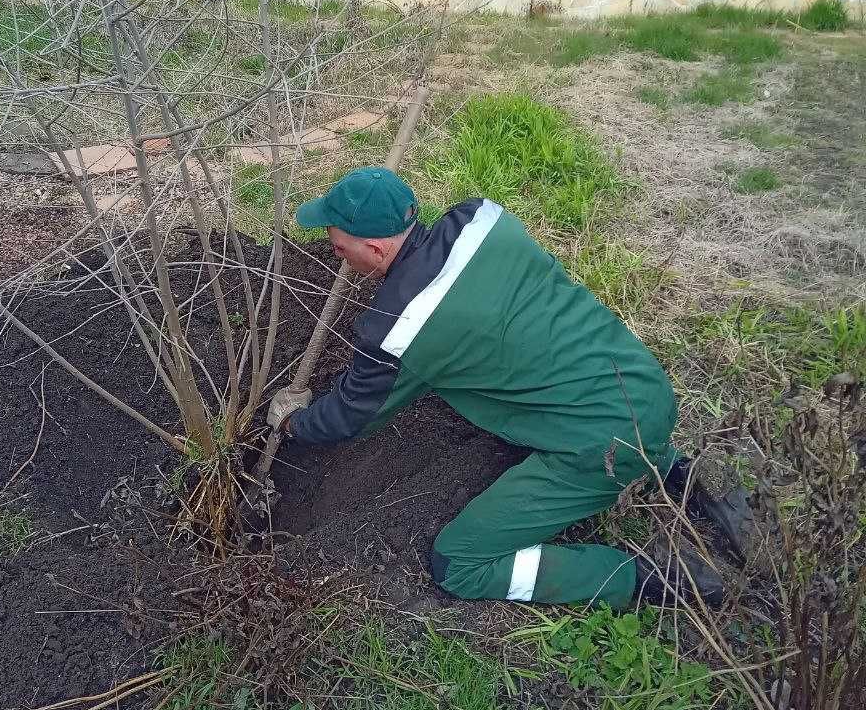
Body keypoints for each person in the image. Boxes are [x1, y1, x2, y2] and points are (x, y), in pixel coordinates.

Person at [268, 167, 751, 608]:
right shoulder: (483, 220)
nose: (334, 256)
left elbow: (353, 415)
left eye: (338, 246)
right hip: (642, 385)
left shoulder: (397, 329)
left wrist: (294, 421)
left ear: (374, 248)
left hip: (596, 446)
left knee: (460, 565)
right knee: (578, 395)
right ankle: (690, 478)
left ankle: (646, 580)